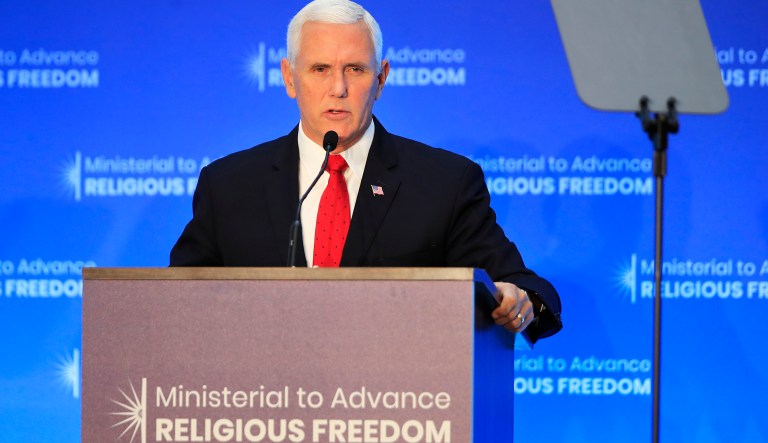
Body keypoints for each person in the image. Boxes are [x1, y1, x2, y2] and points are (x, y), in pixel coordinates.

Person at [170, 0, 562, 343]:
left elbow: (528, 288)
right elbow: (172, 305)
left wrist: (522, 301)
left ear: (381, 79)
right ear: (290, 78)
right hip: (260, 408)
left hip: (393, 409)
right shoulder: (229, 185)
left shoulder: (444, 184)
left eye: (355, 69)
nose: (337, 87)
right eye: (320, 68)